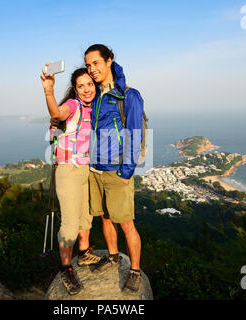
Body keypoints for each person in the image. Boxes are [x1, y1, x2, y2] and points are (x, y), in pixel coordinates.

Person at [84, 44, 144, 293]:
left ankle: (135, 271)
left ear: (109, 61)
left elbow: (135, 133)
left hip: (117, 169)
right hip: (95, 168)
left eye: (96, 63)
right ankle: (113, 257)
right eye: (88, 65)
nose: (91, 69)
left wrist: (126, 171)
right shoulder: (94, 94)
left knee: (126, 223)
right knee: (105, 217)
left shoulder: (128, 95)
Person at [40, 66, 102, 295]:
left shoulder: (91, 107)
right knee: (70, 223)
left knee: (86, 215)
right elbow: (57, 114)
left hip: (84, 169)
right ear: (75, 90)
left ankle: (84, 253)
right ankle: (66, 267)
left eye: (89, 84)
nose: (86, 89)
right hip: (68, 170)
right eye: (81, 86)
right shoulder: (74, 105)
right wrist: (48, 91)